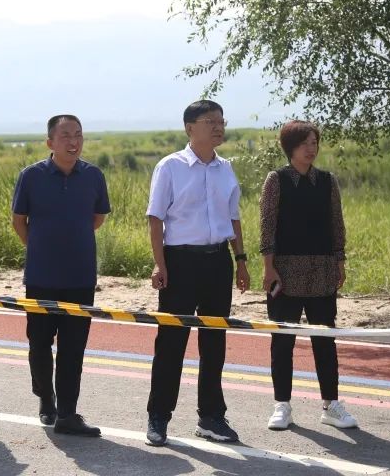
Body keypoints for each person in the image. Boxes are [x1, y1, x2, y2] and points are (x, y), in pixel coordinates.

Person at [143, 100, 251, 447]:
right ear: (190, 128)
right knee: (171, 341)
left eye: (221, 121)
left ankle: (211, 416)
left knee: (214, 342)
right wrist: (160, 263)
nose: (218, 127)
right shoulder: (170, 166)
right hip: (180, 262)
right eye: (210, 121)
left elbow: (233, 217)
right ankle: (159, 416)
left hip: (218, 261)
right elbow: (155, 218)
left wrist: (241, 260)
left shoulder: (225, 168)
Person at [12, 114, 111, 437]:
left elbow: (97, 218)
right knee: (39, 343)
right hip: (41, 277)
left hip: (80, 278)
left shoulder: (93, 175)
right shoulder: (31, 176)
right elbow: (19, 221)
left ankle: (67, 413)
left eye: (78, 135)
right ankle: (46, 397)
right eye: (66, 135)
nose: (73, 141)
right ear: (50, 142)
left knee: (73, 348)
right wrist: (40, 247)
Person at [259, 120, 357, 431]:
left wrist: (339, 260)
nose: (311, 148)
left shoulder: (327, 181)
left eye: (314, 142)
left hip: (322, 269)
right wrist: (268, 266)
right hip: (285, 271)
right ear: (290, 147)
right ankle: (282, 405)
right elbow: (267, 226)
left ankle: (331, 404)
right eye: (304, 143)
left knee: (324, 339)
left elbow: (337, 223)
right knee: (282, 340)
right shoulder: (276, 180)